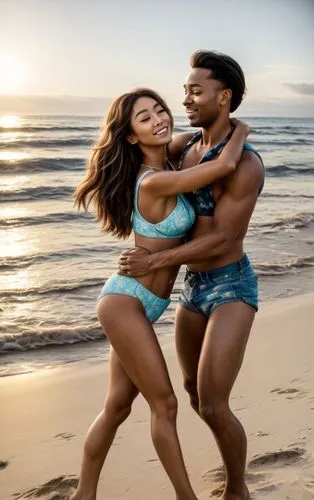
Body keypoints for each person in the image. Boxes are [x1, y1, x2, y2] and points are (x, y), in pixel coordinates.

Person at [71, 87, 249, 500]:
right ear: (131, 136)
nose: (159, 119)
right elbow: (224, 164)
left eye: (160, 110)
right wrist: (241, 127)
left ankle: (84, 493)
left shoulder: (165, 161)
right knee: (165, 404)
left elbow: (190, 139)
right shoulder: (153, 182)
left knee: (117, 406)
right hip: (125, 302)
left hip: (144, 304)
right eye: (144, 118)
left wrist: (192, 133)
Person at [118, 52, 265, 500]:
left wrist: (156, 261)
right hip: (193, 289)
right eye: (184, 90)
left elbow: (223, 238)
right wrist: (236, 129)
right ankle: (230, 467)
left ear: (224, 97)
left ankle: (237, 489)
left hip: (231, 286)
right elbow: (151, 149)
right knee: (192, 392)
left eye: (195, 91)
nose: (185, 99)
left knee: (215, 403)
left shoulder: (248, 166)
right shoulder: (186, 150)